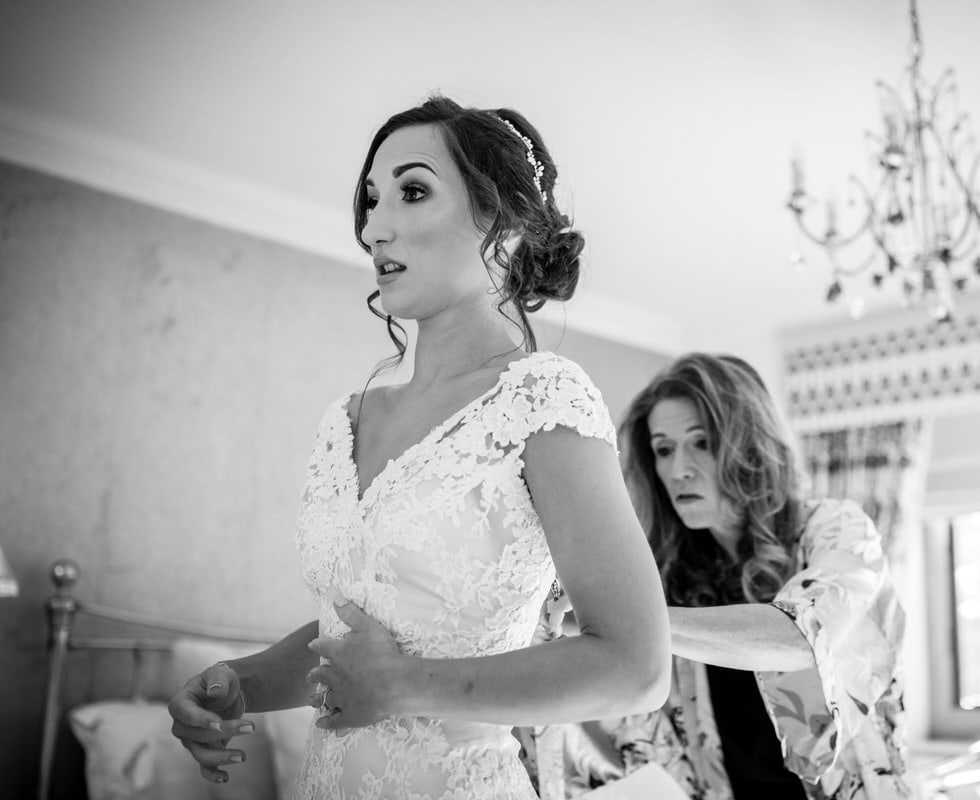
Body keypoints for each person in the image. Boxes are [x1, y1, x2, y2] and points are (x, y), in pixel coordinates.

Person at [166, 96, 671, 800]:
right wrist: (235, 686)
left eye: (412, 191)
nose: (375, 227)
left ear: (502, 220)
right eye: (371, 200)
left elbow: (638, 665)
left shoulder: (541, 400)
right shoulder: (345, 419)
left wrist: (403, 687)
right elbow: (348, 635)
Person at [543, 353, 908, 800]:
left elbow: (803, 637)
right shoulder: (667, 574)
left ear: (750, 446)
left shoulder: (838, 532)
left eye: (702, 442)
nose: (679, 469)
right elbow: (634, 739)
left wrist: (622, 620)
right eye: (664, 449)